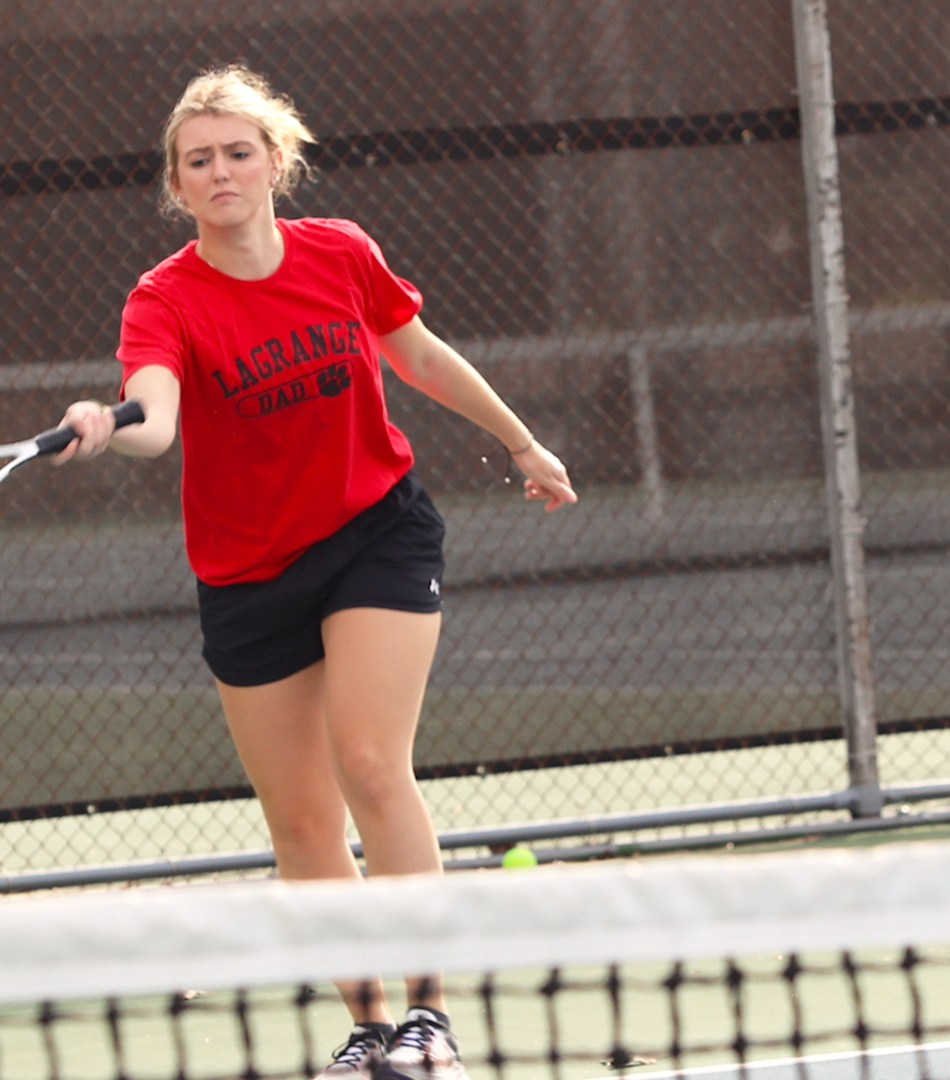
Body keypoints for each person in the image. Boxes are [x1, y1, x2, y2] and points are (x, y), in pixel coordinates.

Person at [55, 65, 576, 1080]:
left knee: (372, 764)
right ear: (177, 183)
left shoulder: (340, 254)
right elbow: (155, 422)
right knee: (300, 821)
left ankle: (430, 1022)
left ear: (274, 161)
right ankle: (372, 1029)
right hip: (248, 575)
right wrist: (103, 427)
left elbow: (419, 358)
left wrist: (520, 443)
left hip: (374, 533)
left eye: (237, 152)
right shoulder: (164, 301)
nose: (219, 172)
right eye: (197, 160)